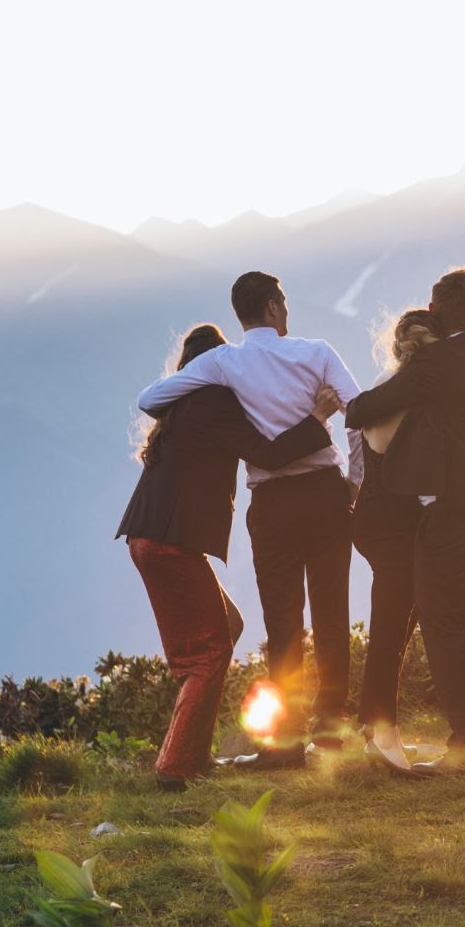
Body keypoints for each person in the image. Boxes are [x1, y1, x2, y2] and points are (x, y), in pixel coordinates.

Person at [135, 272, 361, 768]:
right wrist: (355, 482)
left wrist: (195, 383)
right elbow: (359, 413)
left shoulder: (223, 362)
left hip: (273, 506)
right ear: (276, 307)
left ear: (240, 315)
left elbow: (148, 401)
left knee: (283, 625)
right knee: (331, 617)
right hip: (325, 495)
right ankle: (330, 735)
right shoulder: (318, 352)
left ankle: (282, 746)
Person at [346, 268, 465, 776]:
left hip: (449, 504)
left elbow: (361, 410)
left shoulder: (429, 364)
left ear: (436, 314)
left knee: (441, 618)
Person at [346, 307, 439, 773]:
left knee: (399, 619)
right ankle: (383, 732)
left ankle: (376, 726)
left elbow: (358, 466)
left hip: (371, 516)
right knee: (390, 623)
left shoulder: (380, 395)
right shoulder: (414, 401)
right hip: (392, 524)